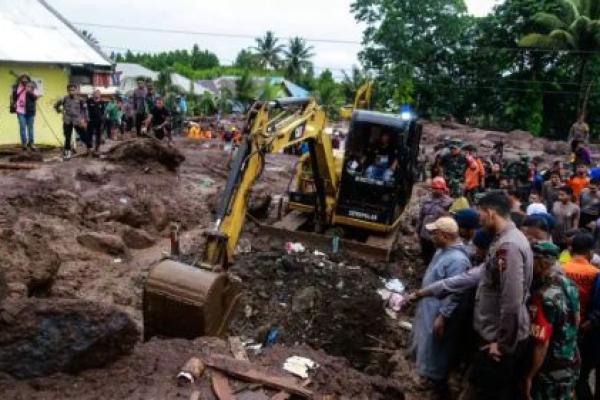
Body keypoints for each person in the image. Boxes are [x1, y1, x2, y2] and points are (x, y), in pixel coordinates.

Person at [468, 191, 533, 400]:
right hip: (499, 334)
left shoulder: (509, 246)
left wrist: (502, 345)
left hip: (498, 341)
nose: (479, 219)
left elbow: (511, 301)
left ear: (490, 212)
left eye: (480, 214)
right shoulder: (505, 239)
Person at [411, 217, 471, 398]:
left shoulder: (458, 260)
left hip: (437, 312)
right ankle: (428, 378)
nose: (431, 237)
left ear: (445, 235)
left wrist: (443, 316)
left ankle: (437, 386)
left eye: (434, 233)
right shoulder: (442, 251)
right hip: (428, 308)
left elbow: (456, 292)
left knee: (436, 350)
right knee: (427, 346)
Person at [525, 241, 580, 400]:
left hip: (550, 370)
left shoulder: (542, 296)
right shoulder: (569, 284)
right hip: (570, 360)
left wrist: (529, 376)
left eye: (533, 261)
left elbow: (542, 343)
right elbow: (576, 319)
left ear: (541, 263)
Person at [561, 233, 600, 400]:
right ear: (590, 252)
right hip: (587, 331)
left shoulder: (560, 269)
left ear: (571, 250)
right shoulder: (595, 273)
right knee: (583, 374)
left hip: (562, 330)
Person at [417, 177, 454, 264]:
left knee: (435, 253)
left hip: (437, 232)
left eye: (439, 189)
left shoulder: (448, 202)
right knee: (425, 250)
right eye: (434, 188)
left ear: (443, 189)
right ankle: (425, 265)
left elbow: (450, 220)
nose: (436, 190)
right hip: (425, 230)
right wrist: (417, 230)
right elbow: (421, 216)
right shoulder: (426, 199)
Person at [54, 84, 87, 161]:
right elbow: (56, 106)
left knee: (83, 135)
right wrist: (60, 111)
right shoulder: (64, 99)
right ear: (67, 91)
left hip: (77, 121)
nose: (71, 91)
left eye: (73, 90)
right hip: (67, 120)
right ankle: (67, 153)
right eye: (70, 90)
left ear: (76, 90)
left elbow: (85, 110)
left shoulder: (80, 99)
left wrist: (83, 119)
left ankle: (89, 149)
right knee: (67, 137)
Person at [11, 75, 40, 151]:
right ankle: (24, 144)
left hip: (30, 111)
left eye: (26, 80)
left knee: (30, 128)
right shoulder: (17, 87)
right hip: (20, 110)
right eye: (22, 80)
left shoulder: (32, 86)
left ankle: (31, 143)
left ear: (28, 80)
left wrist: (29, 91)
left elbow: (36, 97)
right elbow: (13, 97)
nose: (24, 81)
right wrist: (13, 104)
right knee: (22, 127)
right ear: (20, 80)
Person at [85, 89, 106, 155]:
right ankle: (88, 149)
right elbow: (86, 110)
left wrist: (103, 119)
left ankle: (97, 149)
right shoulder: (89, 101)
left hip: (99, 121)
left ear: (100, 94)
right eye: (95, 93)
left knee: (98, 135)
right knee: (89, 135)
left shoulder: (102, 102)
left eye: (98, 93)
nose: (97, 94)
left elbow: (103, 112)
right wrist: (87, 117)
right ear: (93, 94)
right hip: (91, 120)